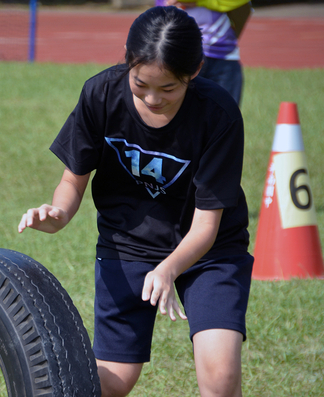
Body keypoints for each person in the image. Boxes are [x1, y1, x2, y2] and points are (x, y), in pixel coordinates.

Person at [18, 6, 253, 397]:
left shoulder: (219, 114)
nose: (152, 98)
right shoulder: (101, 93)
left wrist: (168, 269)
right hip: (126, 243)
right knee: (112, 380)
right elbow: (72, 181)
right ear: (127, 58)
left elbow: (207, 226)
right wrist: (57, 214)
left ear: (194, 71)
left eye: (169, 89)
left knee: (220, 376)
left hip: (210, 250)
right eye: (141, 84)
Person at [157, 0, 252, 105]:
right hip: (181, 51)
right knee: (181, 115)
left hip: (224, 53)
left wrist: (201, 2)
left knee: (226, 115)